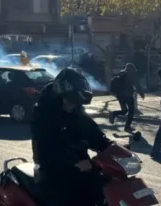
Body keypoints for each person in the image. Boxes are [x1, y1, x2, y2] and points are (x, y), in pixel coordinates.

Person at [31, 68, 111, 206]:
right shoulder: (43, 114)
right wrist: (73, 163)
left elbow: (93, 133)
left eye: (76, 103)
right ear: (60, 96)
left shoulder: (77, 111)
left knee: (104, 190)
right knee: (68, 199)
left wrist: (110, 146)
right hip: (53, 171)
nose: (72, 106)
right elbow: (46, 149)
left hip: (82, 166)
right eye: (70, 101)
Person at [108, 63, 145, 132]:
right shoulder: (132, 75)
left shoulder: (121, 74)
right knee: (131, 111)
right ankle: (127, 127)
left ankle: (113, 114)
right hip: (128, 96)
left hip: (120, 96)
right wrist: (141, 93)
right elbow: (137, 85)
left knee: (124, 111)